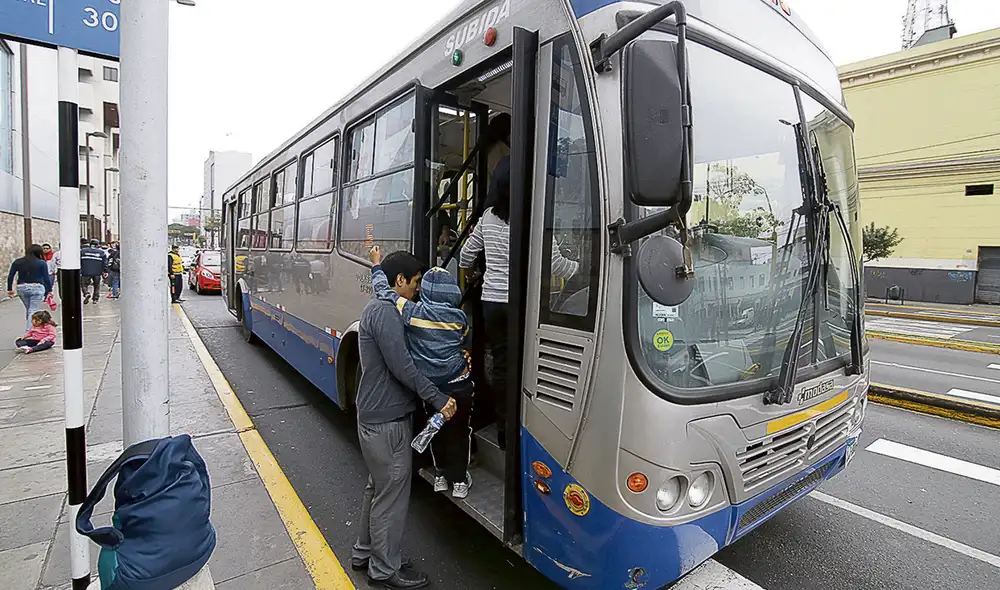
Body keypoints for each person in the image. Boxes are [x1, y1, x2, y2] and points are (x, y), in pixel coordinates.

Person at [351, 250, 457, 590]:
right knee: (391, 496)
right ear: (400, 280)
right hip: (387, 420)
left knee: (378, 488)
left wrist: (376, 262)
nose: (417, 290)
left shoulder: (381, 304)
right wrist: (440, 399)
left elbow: (380, 282)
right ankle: (383, 569)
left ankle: (365, 552)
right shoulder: (385, 313)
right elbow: (403, 367)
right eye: (415, 283)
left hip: (375, 416)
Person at [460, 157, 578, 449]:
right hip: (520, 304)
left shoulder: (487, 218)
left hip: (492, 304)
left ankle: (504, 429)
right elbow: (556, 264)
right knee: (526, 364)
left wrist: (475, 275)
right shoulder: (534, 218)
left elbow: (465, 256)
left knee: (502, 365)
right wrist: (581, 270)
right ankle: (527, 426)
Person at [369, 246, 475, 498]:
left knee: (436, 428)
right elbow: (463, 341)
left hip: (431, 386)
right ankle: (460, 481)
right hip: (458, 382)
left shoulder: (414, 313)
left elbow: (383, 291)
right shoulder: (460, 319)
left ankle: (439, 476)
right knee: (460, 432)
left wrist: (375, 265)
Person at [7, 245, 54, 331]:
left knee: (29, 309)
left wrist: (10, 289)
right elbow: (46, 278)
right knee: (33, 310)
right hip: (37, 287)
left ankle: (31, 328)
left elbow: (10, 276)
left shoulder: (18, 262)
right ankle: (29, 331)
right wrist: (49, 290)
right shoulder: (41, 263)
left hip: (22, 288)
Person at [80, 239, 109, 304]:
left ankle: (86, 293)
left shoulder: (83, 251)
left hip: (85, 271)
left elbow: (79, 261)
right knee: (96, 285)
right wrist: (105, 271)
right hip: (97, 272)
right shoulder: (101, 252)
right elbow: (104, 263)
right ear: (97, 245)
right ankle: (95, 299)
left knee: (84, 284)